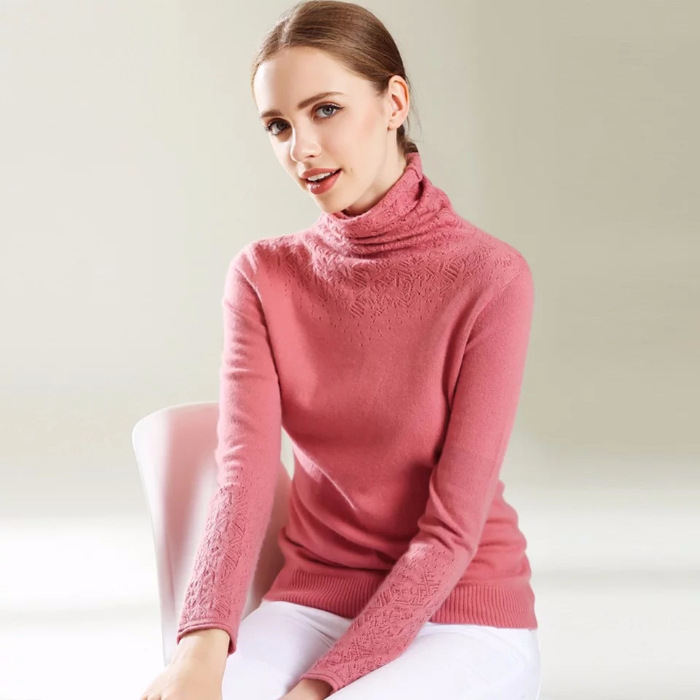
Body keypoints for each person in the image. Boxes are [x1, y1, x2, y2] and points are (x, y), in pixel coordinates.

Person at [139, 1, 542, 699]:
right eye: (278, 125)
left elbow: (450, 533)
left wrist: (321, 687)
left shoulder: (490, 277)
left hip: (461, 615)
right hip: (311, 604)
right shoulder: (264, 275)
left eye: (325, 110)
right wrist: (199, 649)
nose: (301, 148)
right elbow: (243, 479)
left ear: (394, 103)